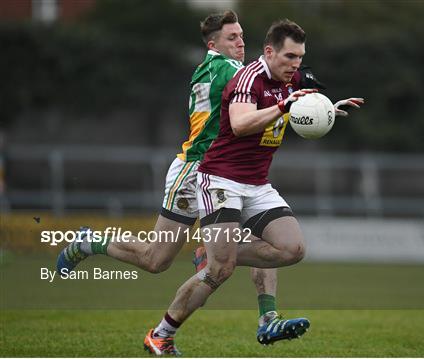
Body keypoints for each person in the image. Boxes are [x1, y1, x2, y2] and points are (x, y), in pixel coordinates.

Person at [56, 10, 342, 356]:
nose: (240, 42)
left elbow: (277, 80)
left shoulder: (224, 68)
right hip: (195, 171)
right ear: (213, 44)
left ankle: (267, 317)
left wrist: (316, 104)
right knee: (155, 259)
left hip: (229, 173)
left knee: (252, 244)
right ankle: (91, 242)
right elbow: (262, 86)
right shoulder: (230, 69)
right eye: (232, 37)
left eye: (241, 35)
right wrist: (296, 93)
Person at [157, 18, 363, 355]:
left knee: (292, 249)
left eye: (299, 57)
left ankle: (229, 272)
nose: (296, 66)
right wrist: (283, 106)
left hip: (256, 184)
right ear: (269, 52)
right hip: (220, 179)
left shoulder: (291, 78)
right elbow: (239, 124)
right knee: (218, 270)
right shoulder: (247, 78)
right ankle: (162, 334)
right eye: (289, 58)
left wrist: (327, 109)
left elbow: (303, 103)